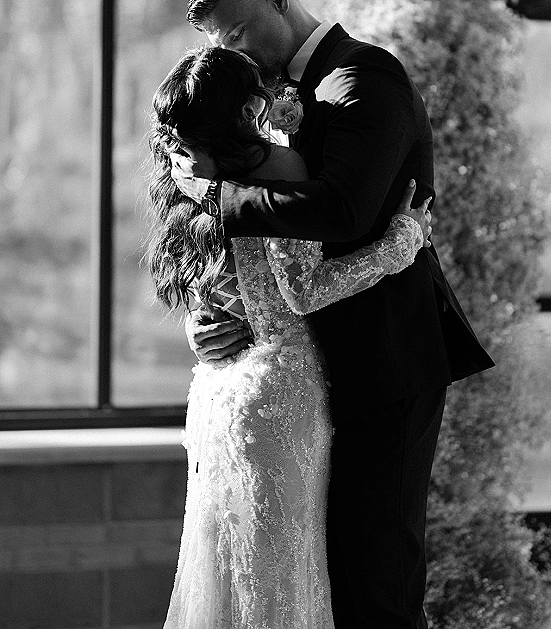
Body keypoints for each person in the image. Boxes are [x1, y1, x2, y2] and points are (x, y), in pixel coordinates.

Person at [170, 0, 496, 629]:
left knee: (376, 582)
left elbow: (341, 210)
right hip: (302, 377)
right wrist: (215, 313)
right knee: (319, 584)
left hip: (382, 365)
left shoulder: (361, 78)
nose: (234, 53)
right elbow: (258, 258)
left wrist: (218, 198)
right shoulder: (263, 100)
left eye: (237, 34)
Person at [148, 45, 433, 629]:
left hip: (217, 392)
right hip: (279, 391)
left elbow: (209, 285)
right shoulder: (276, 166)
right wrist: (401, 243)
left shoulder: (193, 179)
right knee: (282, 578)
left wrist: (199, 320)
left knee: (228, 576)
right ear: (248, 107)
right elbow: (302, 292)